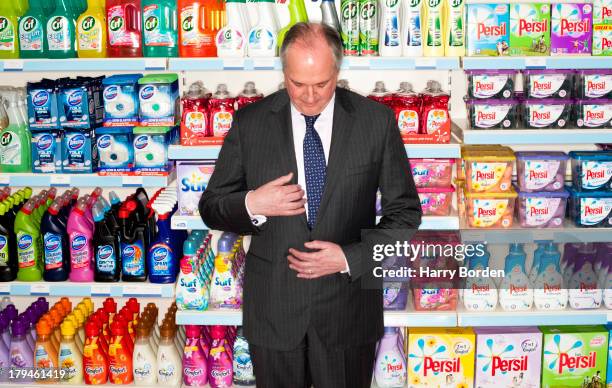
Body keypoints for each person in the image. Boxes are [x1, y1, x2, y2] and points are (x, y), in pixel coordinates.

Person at [199, 22, 422, 387]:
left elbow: (406, 213)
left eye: (321, 84)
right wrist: (253, 203)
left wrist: (350, 257)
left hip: (348, 310)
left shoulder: (375, 121)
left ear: (337, 71)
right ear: (283, 72)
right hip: (275, 310)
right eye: (297, 83)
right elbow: (212, 206)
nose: (308, 96)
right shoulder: (250, 123)